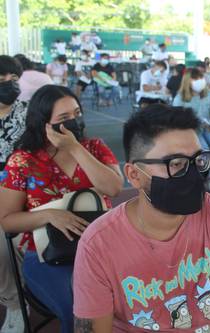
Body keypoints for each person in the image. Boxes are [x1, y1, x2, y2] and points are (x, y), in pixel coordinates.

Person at [72, 104, 210, 333]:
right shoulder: (98, 246)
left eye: (198, 161)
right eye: (176, 164)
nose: (193, 175)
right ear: (134, 175)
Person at [0, 84, 123, 333]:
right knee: (81, 309)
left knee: (132, 298)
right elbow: (7, 220)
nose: (74, 122)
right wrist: (49, 215)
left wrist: (75, 148)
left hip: (103, 250)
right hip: (49, 256)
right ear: (44, 122)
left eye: (77, 114)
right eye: (64, 118)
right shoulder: (23, 161)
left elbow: (113, 188)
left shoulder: (94, 148)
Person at [0, 55, 27, 333]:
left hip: (22, 189)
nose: (8, 85)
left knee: (2, 246)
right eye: (1, 80)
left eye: (14, 79)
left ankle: (15, 304)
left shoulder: (30, 113)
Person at [173, 67, 210, 194]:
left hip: (207, 128)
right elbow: (177, 120)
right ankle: (203, 179)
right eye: (195, 79)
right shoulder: (180, 98)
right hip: (191, 131)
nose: (199, 81)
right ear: (187, 81)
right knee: (204, 151)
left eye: (201, 78)